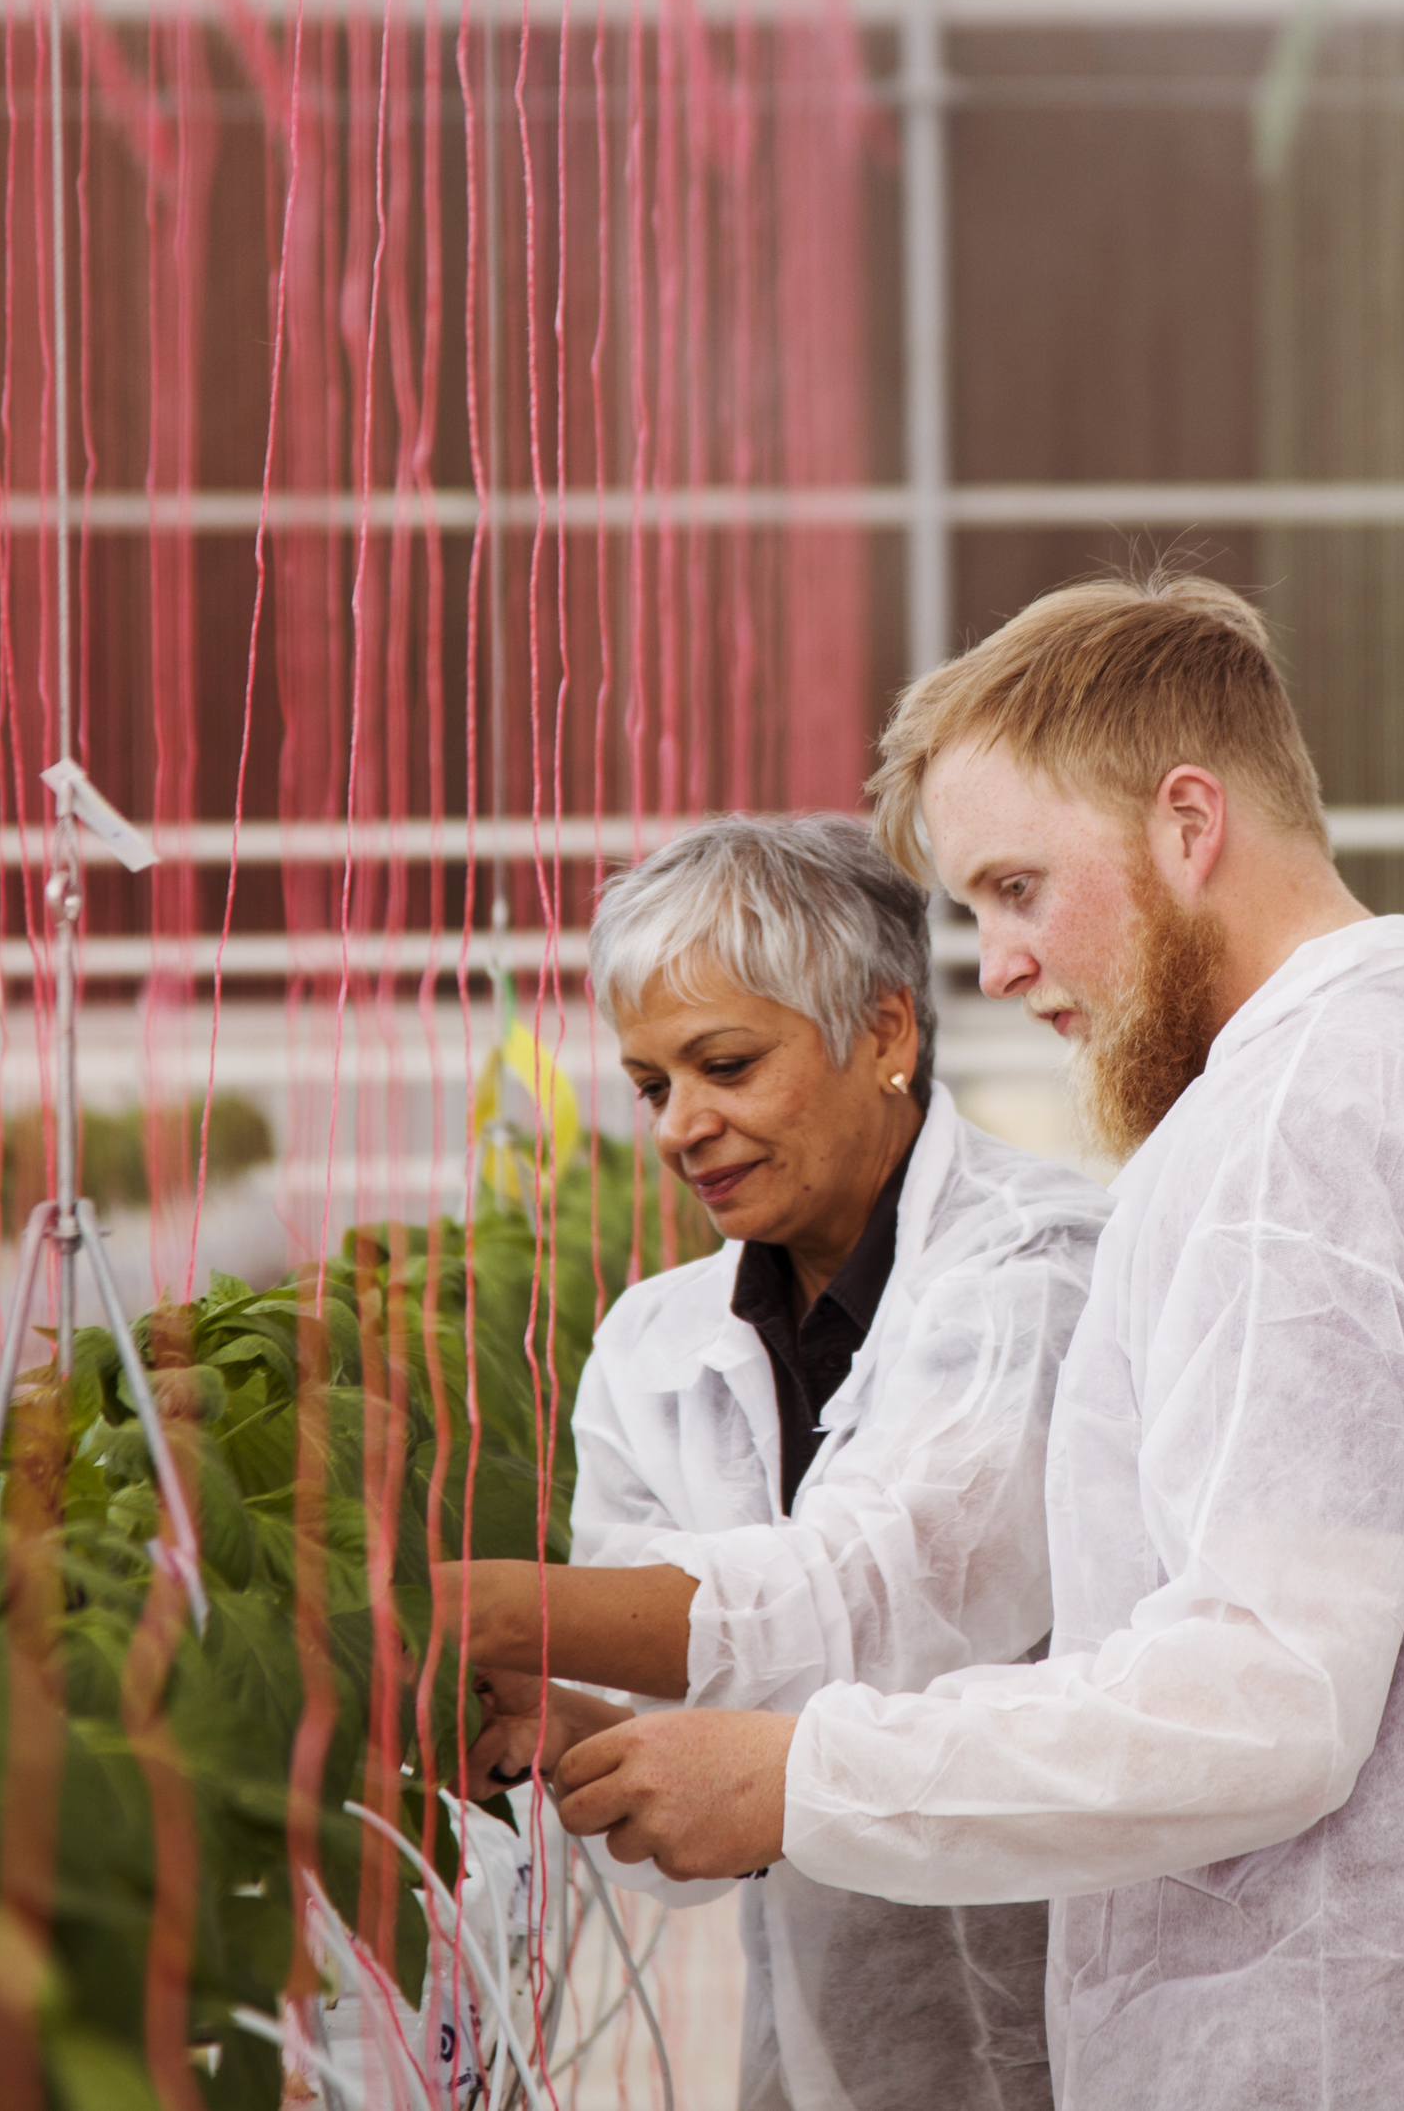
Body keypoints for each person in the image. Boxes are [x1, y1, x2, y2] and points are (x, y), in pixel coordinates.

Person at [546, 575, 1404, 2110]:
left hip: (1337, 2052)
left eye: (1018, 889)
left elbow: (1263, 1694)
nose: (1003, 965)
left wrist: (803, 1774)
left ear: (1188, 822)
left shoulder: (1301, 1126)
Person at [446, 813, 1109, 2111]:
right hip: (829, 2061)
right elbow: (692, 1813)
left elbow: (887, 1592)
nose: (683, 1124)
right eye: (652, 1085)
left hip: (1083, 2048)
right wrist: (577, 1737)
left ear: (887, 1033)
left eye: (728, 1064)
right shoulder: (652, 1346)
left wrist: (470, 1600)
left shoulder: (1042, 1273)